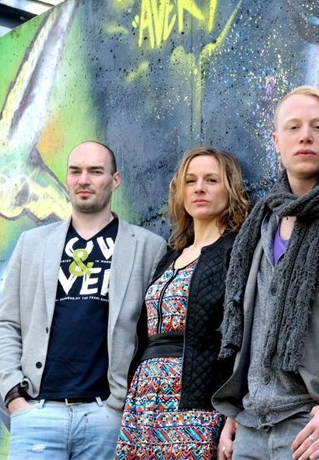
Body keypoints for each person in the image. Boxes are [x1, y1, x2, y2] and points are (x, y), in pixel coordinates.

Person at [213, 85, 319, 460]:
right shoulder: (261, 221)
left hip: (318, 427)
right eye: (293, 127)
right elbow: (254, 327)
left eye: (318, 127)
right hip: (251, 429)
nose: (305, 136)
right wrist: (236, 411)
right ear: (277, 141)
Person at [0, 141, 166, 460]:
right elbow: (7, 324)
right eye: (75, 171)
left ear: (115, 180)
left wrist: (120, 404)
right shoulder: (32, 244)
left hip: (107, 417)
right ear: (67, 178)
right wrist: (14, 395)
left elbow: (153, 335)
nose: (83, 180)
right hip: (37, 414)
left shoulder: (148, 248)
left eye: (95, 172)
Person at [114, 147, 249, 459]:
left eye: (211, 180)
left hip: (196, 402)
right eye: (191, 181)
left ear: (229, 189)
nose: (199, 188)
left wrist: (233, 412)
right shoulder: (170, 256)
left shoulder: (236, 252)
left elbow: (244, 335)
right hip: (144, 400)